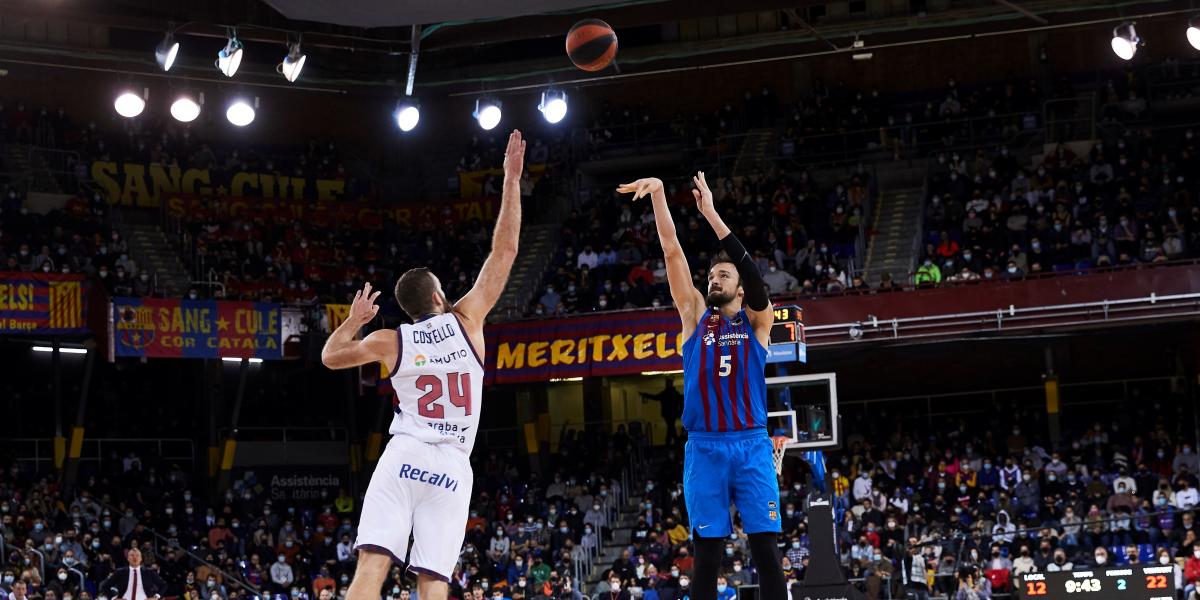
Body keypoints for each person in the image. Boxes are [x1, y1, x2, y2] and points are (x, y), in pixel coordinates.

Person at [321, 130, 525, 600]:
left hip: (405, 455)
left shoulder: (391, 340)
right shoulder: (468, 318)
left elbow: (331, 356)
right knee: (433, 582)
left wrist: (352, 321)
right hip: (453, 466)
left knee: (370, 569)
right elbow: (506, 251)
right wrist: (511, 180)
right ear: (438, 296)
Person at [618, 171, 783, 600]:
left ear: (742, 290)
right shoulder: (694, 316)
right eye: (713, 275)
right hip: (705, 447)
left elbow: (753, 273)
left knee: (765, 548)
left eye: (724, 275)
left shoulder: (757, 322)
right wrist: (658, 195)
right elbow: (672, 253)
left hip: (752, 444)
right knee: (706, 551)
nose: (716, 278)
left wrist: (710, 213)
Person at [99, 548, 167, 600]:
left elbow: (163, 585)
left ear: (140, 559)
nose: (135, 557)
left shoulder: (149, 572)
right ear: (128, 558)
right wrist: (113, 598)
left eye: (137, 555)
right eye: (132, 555)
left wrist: (156, 597)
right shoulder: (120, 572)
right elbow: (105, 586)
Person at [640, 378, 683, 446]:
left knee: (670, 428)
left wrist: (645, 395)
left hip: (667, 414)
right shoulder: (675, 393)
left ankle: (672, 443)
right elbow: (681, 399)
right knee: (671, 428)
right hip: (673, 414)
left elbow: (655, 397)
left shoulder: (665, 393)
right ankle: (674, 442)